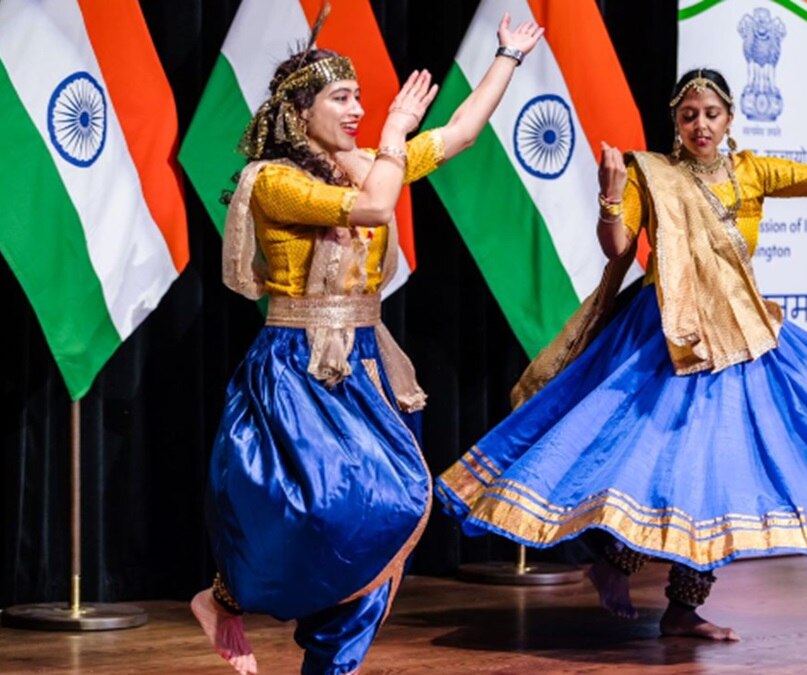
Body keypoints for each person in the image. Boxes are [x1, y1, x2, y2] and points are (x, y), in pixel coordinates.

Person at [436, 69, 807, 642]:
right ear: (675, 123)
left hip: (737, 336)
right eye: (689, 115)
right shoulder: (650, 175)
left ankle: (681, 607)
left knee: (717, 471)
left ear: (729, 119)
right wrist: (609, 195)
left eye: (711, 114)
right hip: (667, 338)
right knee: (653, 461)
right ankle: (618, 564)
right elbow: (617, 249)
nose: (700, 125)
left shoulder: (751, 170)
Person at [191, 10, 544, 675]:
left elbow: (463, 132)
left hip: (361, 361)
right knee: (313, 508)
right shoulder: (274, 180)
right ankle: (223, 597)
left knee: (390, 511)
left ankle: (330, 662)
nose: (357, 109)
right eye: (341, 97)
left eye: (359, 96)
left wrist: (508, 57)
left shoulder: (370, 162)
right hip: (297, 366)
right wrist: (392, 136)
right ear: (300, 111)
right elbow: (375, 206)